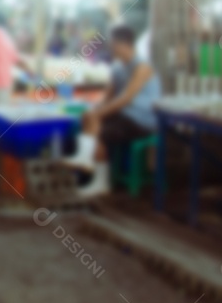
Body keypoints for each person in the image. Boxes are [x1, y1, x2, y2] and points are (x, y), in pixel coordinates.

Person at [64, 25, 161, 198]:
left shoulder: (142, 67)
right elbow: (107, 97)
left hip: (142, 119)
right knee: (88, 118)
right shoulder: (116, 67)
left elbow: (126, 98)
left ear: (123, 44)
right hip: (125, 116)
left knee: (99, 132)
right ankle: (87, 160)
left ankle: (100, 180)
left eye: (113, 44)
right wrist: (93, 110)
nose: (110, 47)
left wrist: (99, 114)